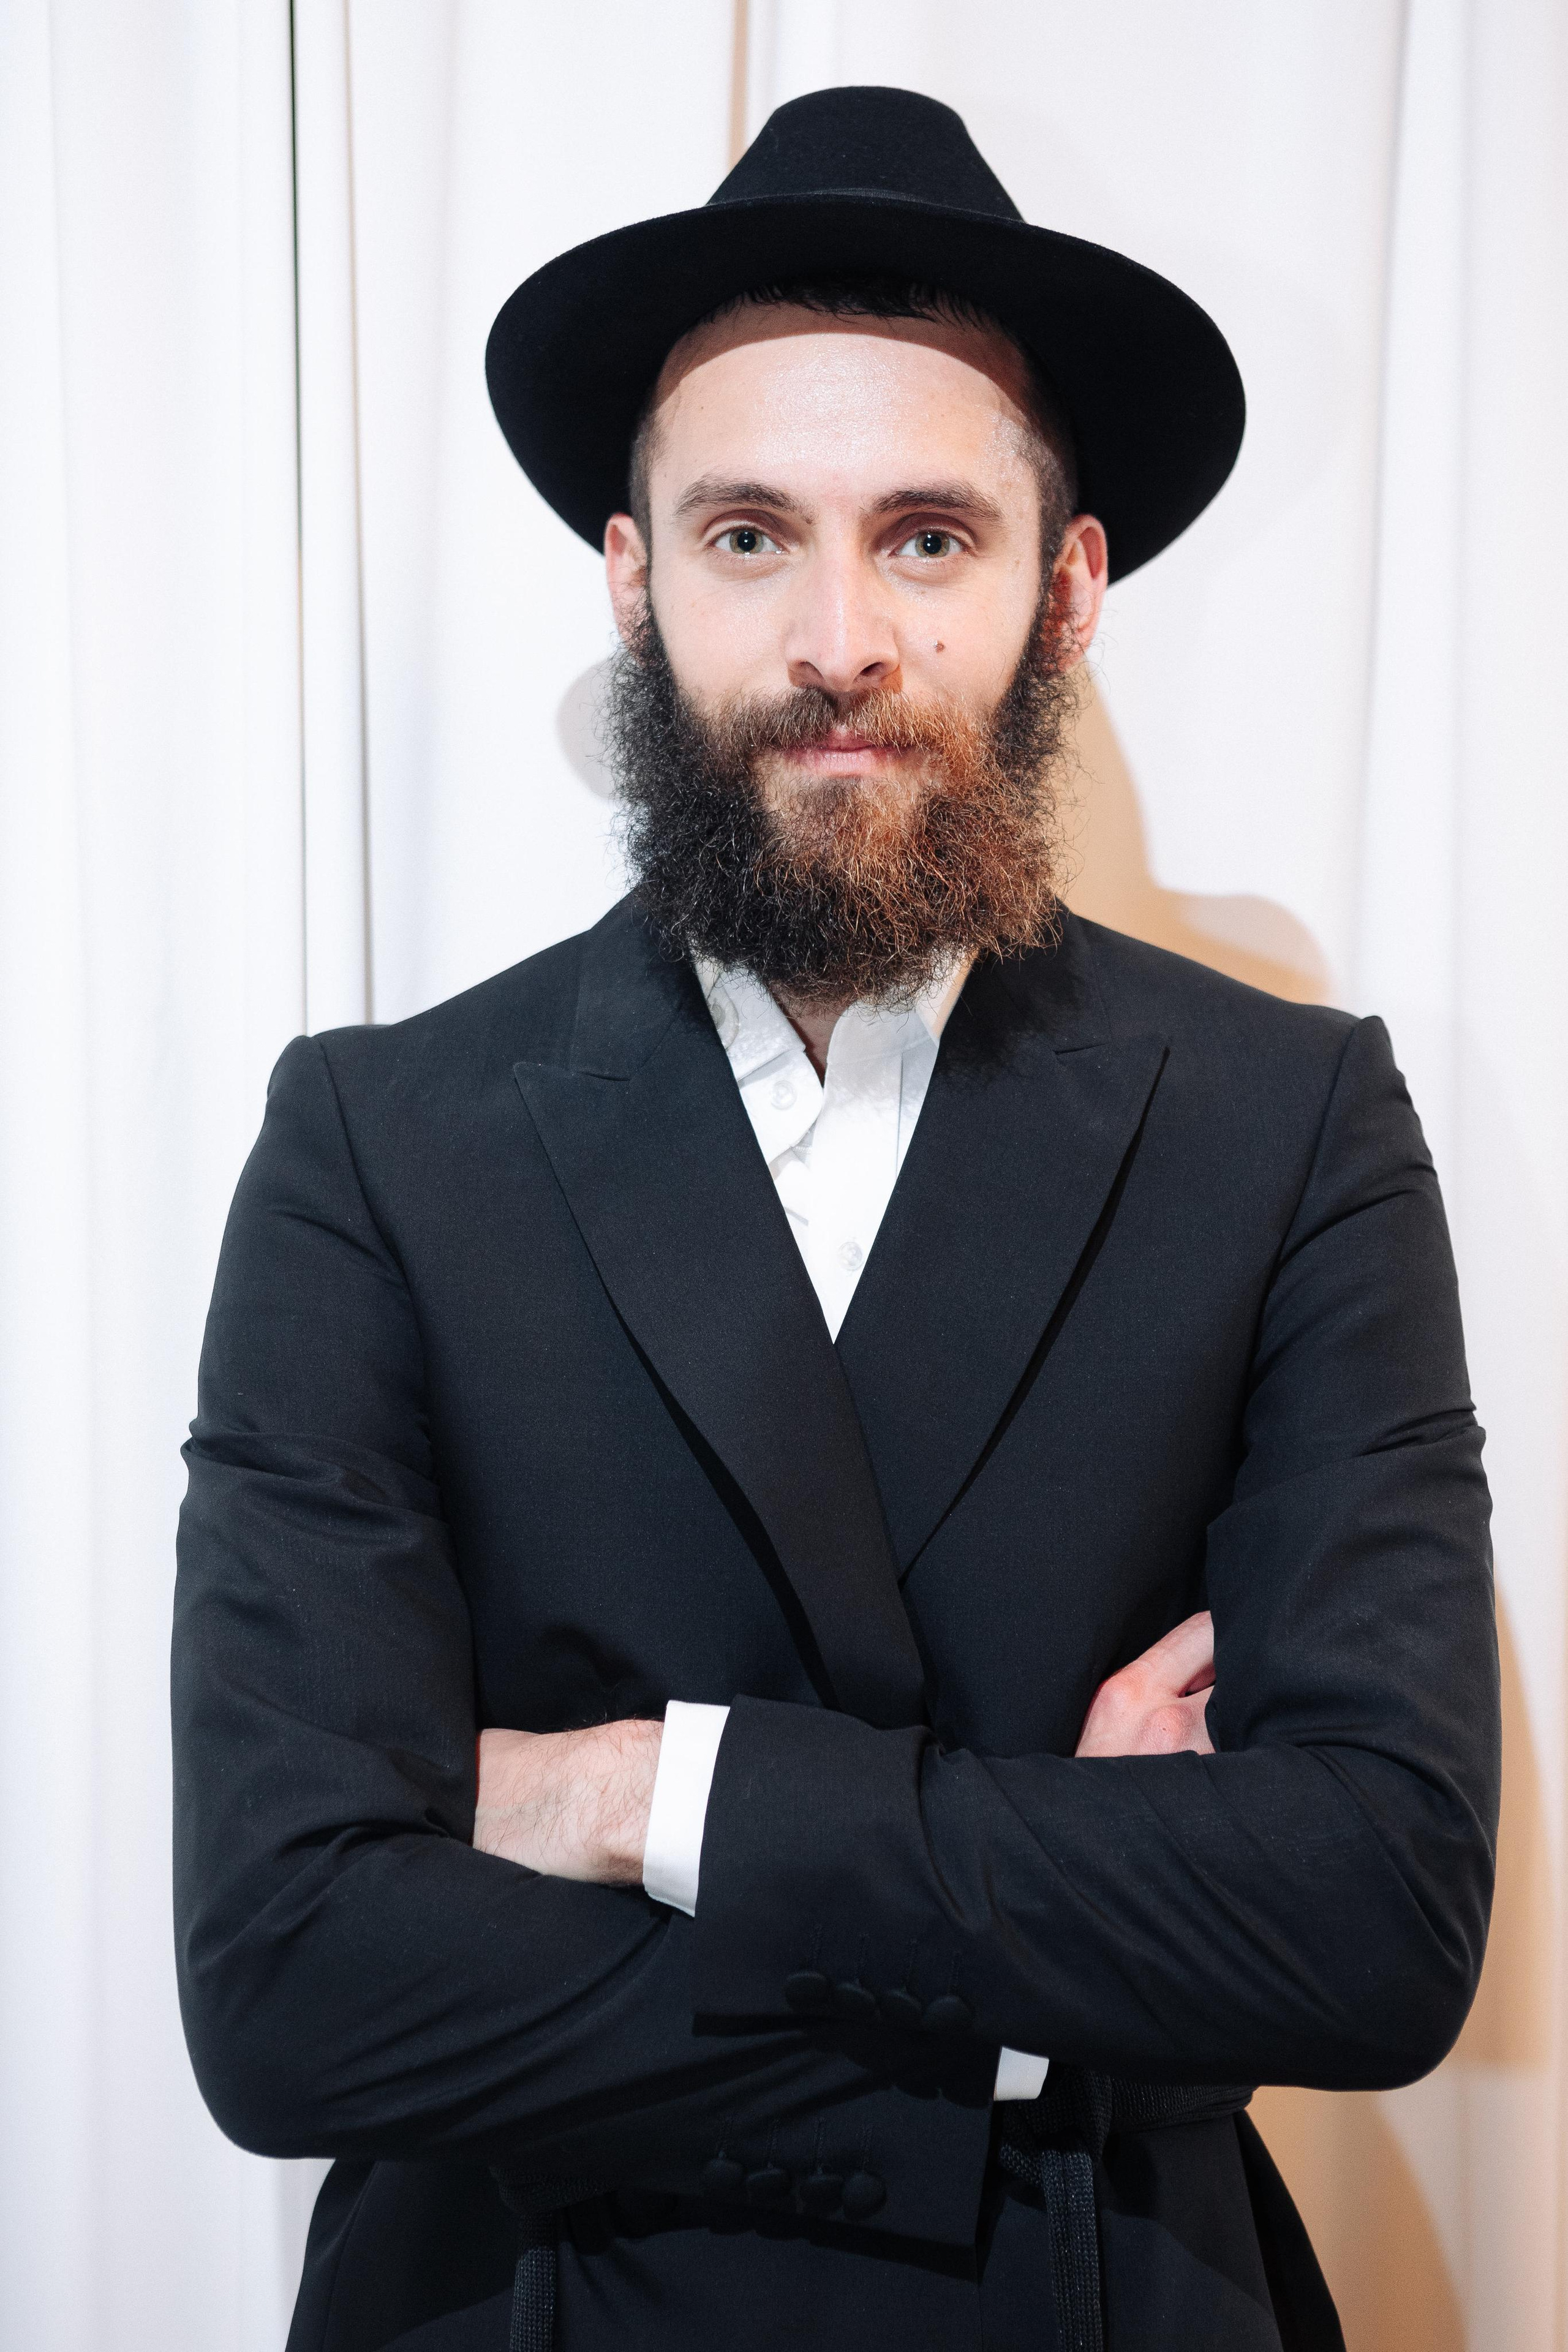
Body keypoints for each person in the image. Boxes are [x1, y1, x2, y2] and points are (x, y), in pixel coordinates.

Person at [173, 86, 1499, 2352]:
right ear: (635, 572)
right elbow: (292, 1988)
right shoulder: (381, 1142)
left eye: (926, 539)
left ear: (1065, 590)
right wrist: (1038, 1988)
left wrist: (637, 1791)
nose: (834, 639)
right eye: (751, 534)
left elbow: (1373, 1918)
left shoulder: (1292, 1125)